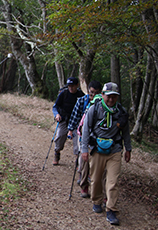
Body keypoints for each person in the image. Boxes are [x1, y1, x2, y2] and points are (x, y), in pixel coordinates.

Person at [81, 82, 131, 226]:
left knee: (112, 181)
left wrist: (128, 149)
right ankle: (96, 200)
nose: (110, 99)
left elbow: (126, 133)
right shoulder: (94, 109)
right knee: (96, 179)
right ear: (102, 95)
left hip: (114, 149)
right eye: (108, 96)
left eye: (114, 97)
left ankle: (111, 209)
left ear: (117, 97)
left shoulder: (121, 112)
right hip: (97, 149)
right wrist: (84, 149)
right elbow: (86, 129)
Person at [67, 81, 102, 198]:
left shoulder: (103, 105)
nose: (94, 95)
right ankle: (84, 183)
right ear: (88, 91)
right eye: (92, 93)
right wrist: (70, 130)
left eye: (96, 93)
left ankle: (94, 184)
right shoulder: (81, 101)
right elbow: (75, 116)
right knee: (83, 159)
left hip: (98, 138)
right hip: (83, 135)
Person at [52, 77, 84, 165]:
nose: (71, 88)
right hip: (64, 120)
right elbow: (55, 106)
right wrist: (56, 114)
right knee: (60, 137)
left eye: (73, 86)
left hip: (76, 122)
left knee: (78, 141)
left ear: (77, 85)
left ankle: (78, 160)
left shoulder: (81, 95)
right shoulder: (63, 93)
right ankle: (57, 153)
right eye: (69, 86)